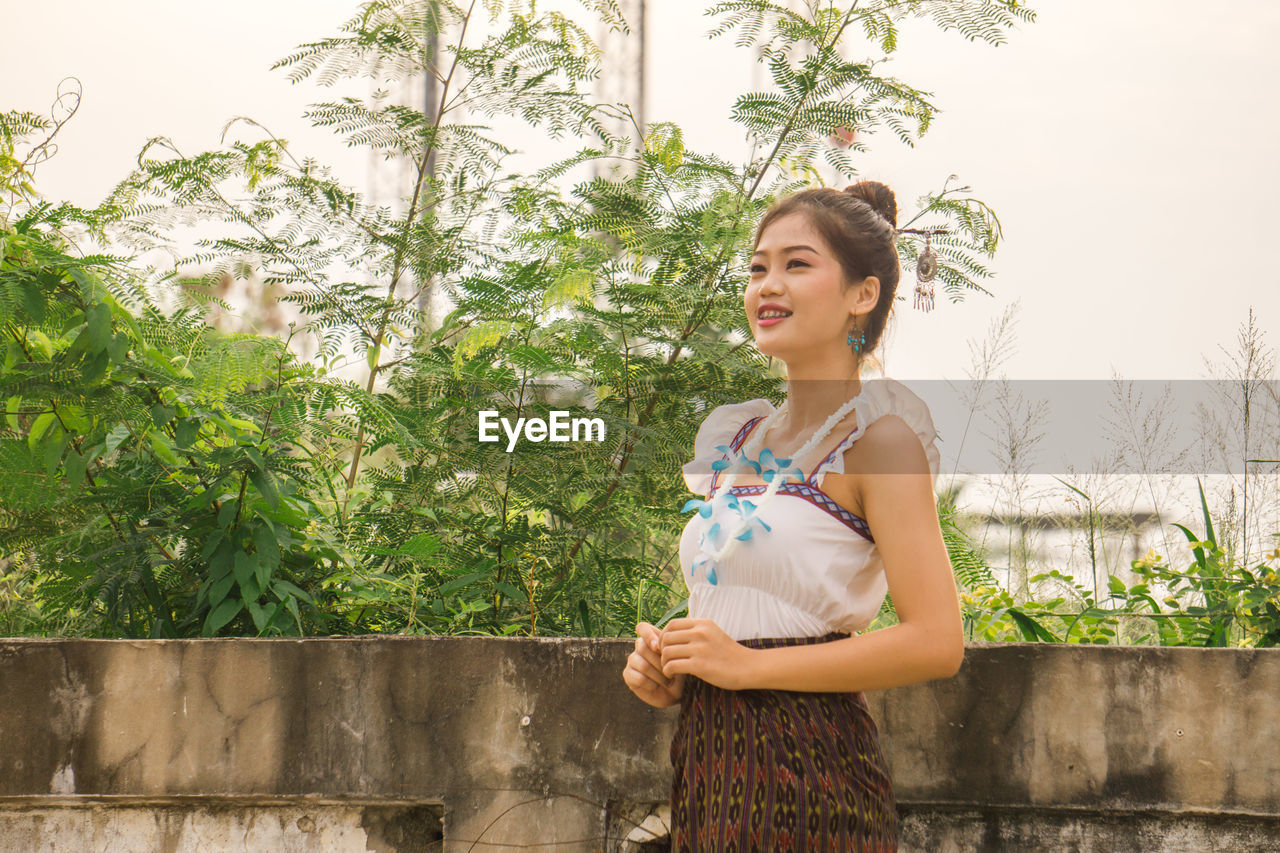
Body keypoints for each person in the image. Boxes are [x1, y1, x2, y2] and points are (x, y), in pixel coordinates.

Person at [621, 181, 965, 851]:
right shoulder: (733, 437)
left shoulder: (880, 440)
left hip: (813, 770)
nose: (767, 285)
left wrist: (746, 667)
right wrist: (673, 663)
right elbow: (740, 602)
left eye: (796, 264)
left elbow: (936, 639)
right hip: (708, 763)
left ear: (862, 294)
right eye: (758, 267)